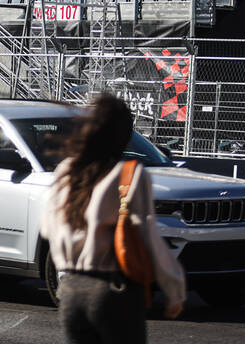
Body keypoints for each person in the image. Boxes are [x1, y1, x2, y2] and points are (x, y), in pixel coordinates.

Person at [41, 94, 186, 344]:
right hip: (113, 289)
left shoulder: (66, 170)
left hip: (71, 290)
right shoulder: (128, 175)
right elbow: (148, 236)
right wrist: (174, 289)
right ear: (123, 135)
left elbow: (46, 228)